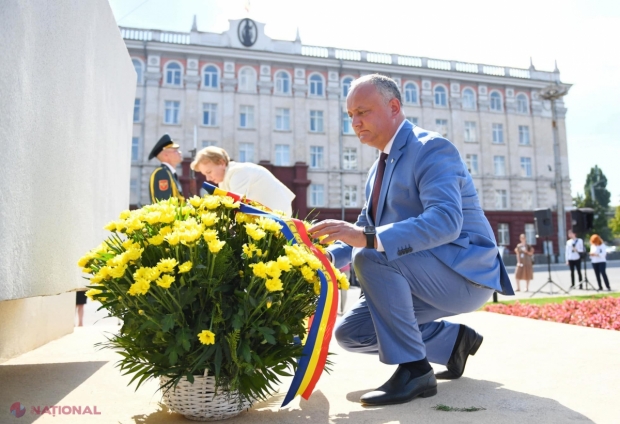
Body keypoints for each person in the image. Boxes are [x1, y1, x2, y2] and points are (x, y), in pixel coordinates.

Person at [308, 74, 513, 407]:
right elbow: (362, 230)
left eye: (363, 111)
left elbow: (446, 221)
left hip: (464, 275)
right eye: (350, 116)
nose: (355, 123)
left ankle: (416, 370)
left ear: (393, 107)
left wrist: (366, 238)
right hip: (423, 277)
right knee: (352, 334)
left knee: (370, 256)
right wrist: (323, 260)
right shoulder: (377, 170)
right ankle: (452, 342)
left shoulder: (431, 148)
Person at [190, 146, 295, 216]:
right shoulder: (225, 177)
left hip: (278, 218)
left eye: (209, 172)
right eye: (205, 175)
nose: (208, 179)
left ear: (221, 163)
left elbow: (236, 206)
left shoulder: (238, 172)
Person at [148, 134, 184, 203]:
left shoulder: (170, 173)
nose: (180, 152)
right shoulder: (162, 173)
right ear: (166, 155)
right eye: (175, 151)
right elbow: (165, 204)